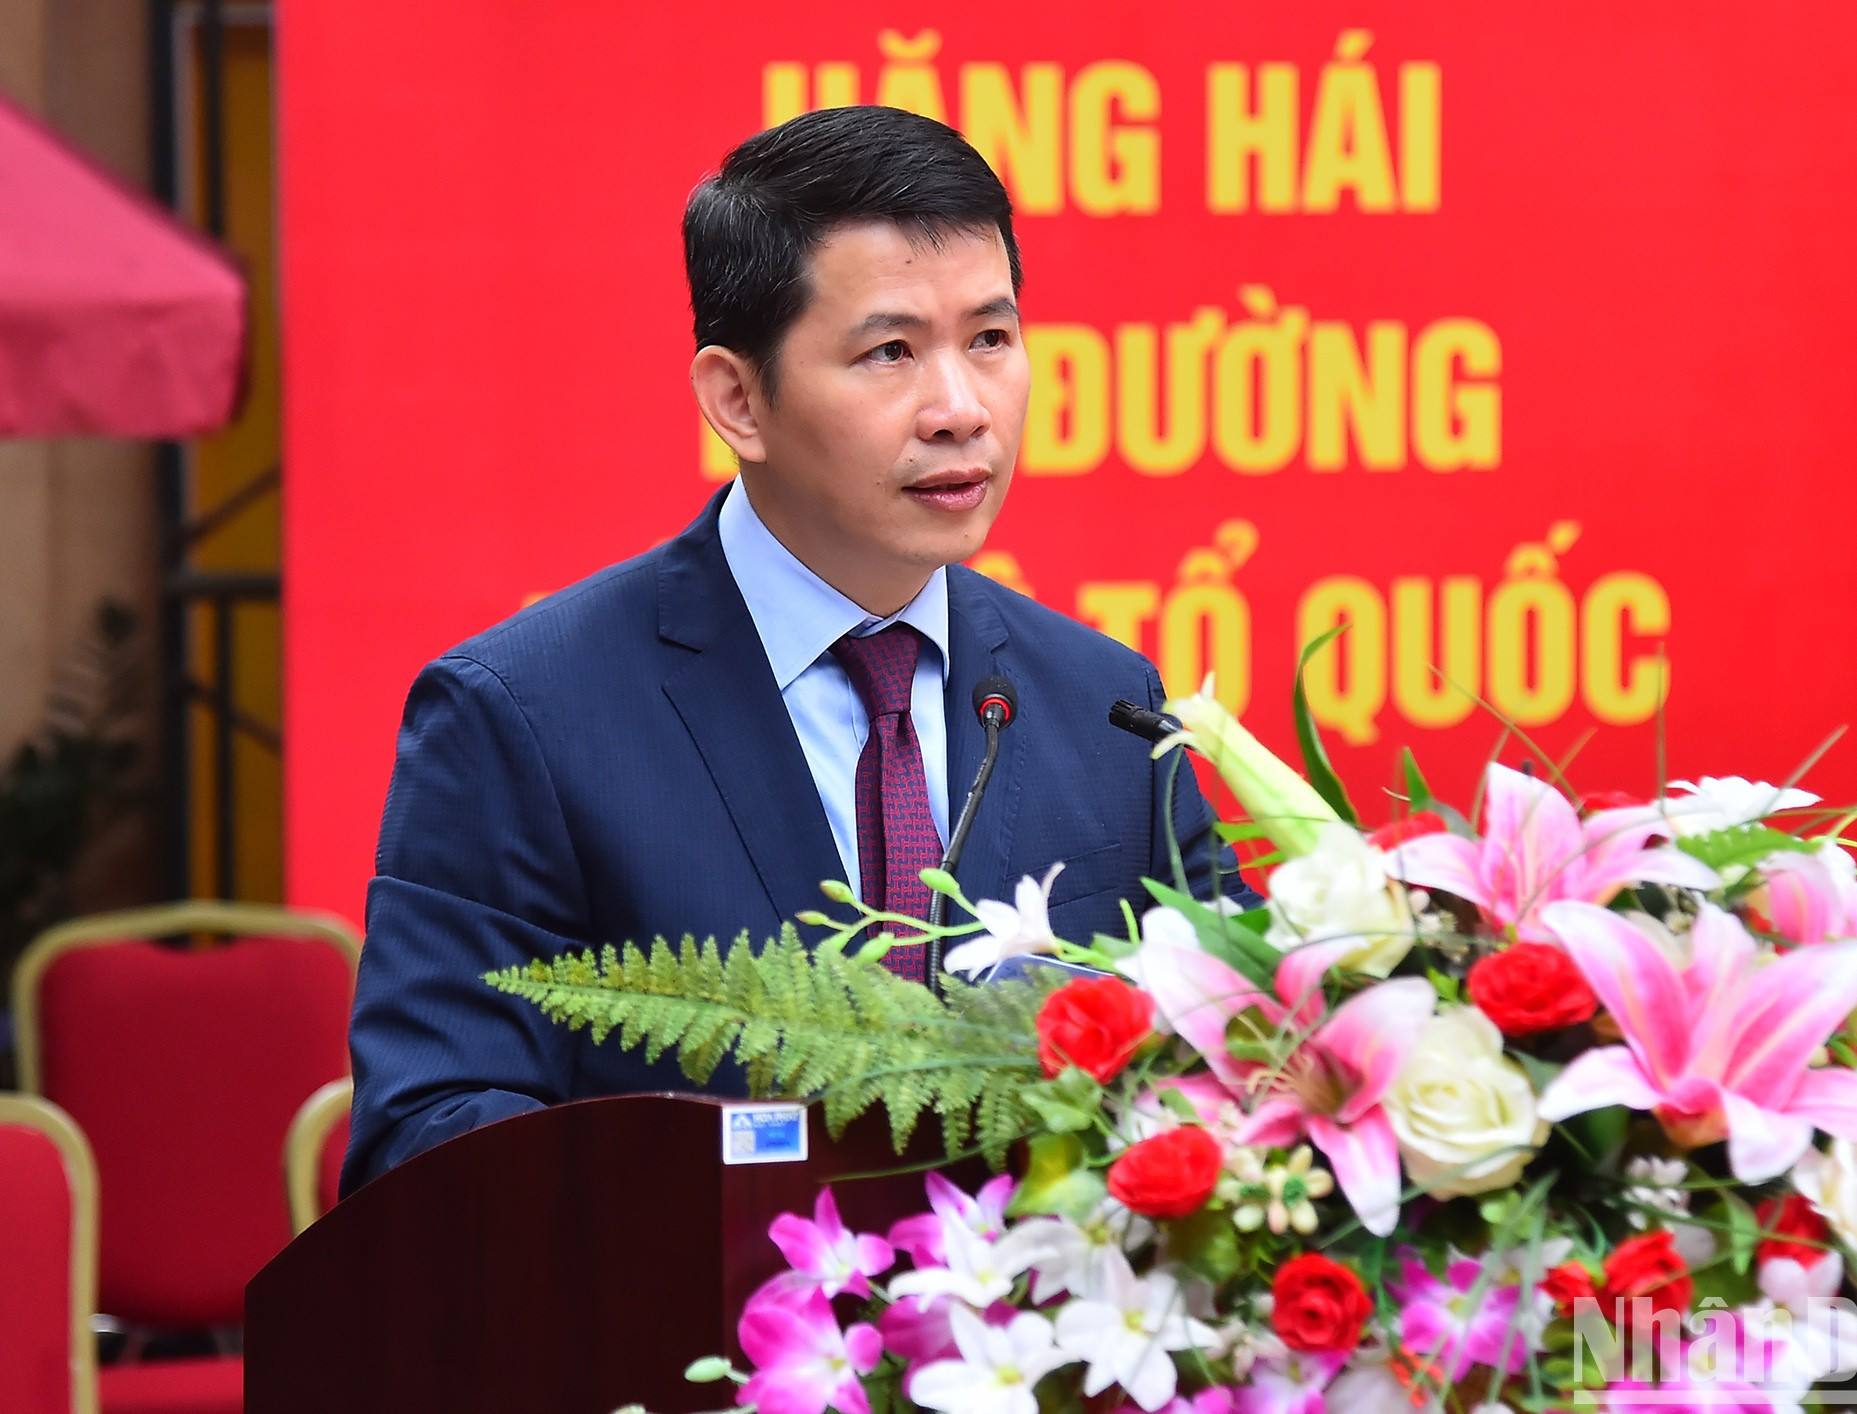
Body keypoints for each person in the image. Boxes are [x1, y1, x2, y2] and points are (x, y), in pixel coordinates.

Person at [341, 106, 1252, 1192]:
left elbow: (1239, 1055)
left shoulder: (1107, 704)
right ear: (738, 398)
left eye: (991, 340)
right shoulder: (523, 716)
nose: (962, 409)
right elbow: (433, 1136)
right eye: (891, 351)